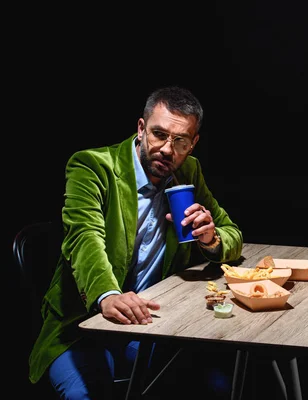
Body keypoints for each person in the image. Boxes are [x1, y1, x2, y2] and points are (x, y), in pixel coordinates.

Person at [28, 86, 244, 399]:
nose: (168, 150)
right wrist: (107, 295)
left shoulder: (188, 172)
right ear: (141, 129)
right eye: (159, 134)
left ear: (193, 144)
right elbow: (84, 236)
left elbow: (232, 233)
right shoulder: (93, 166)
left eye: (180, 141)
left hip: (150, 324)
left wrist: (211, 238)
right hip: (81, 327)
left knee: (222, 386)